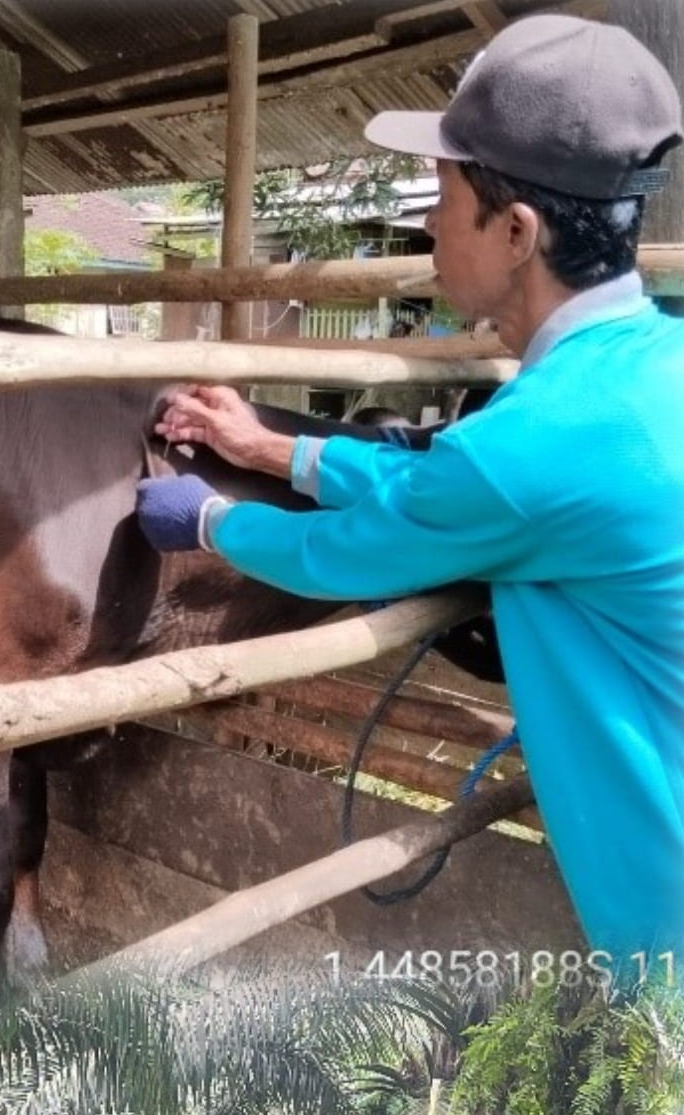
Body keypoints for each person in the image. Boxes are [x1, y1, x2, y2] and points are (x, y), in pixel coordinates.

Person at [134, 13, 684, 965]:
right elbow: (446, 484)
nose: (427, 220)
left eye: (444, 192)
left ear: (516, 231)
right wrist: (273, 450)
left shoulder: (530, 446)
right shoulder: (653, 362)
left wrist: (210, 520)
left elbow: (340, 553)